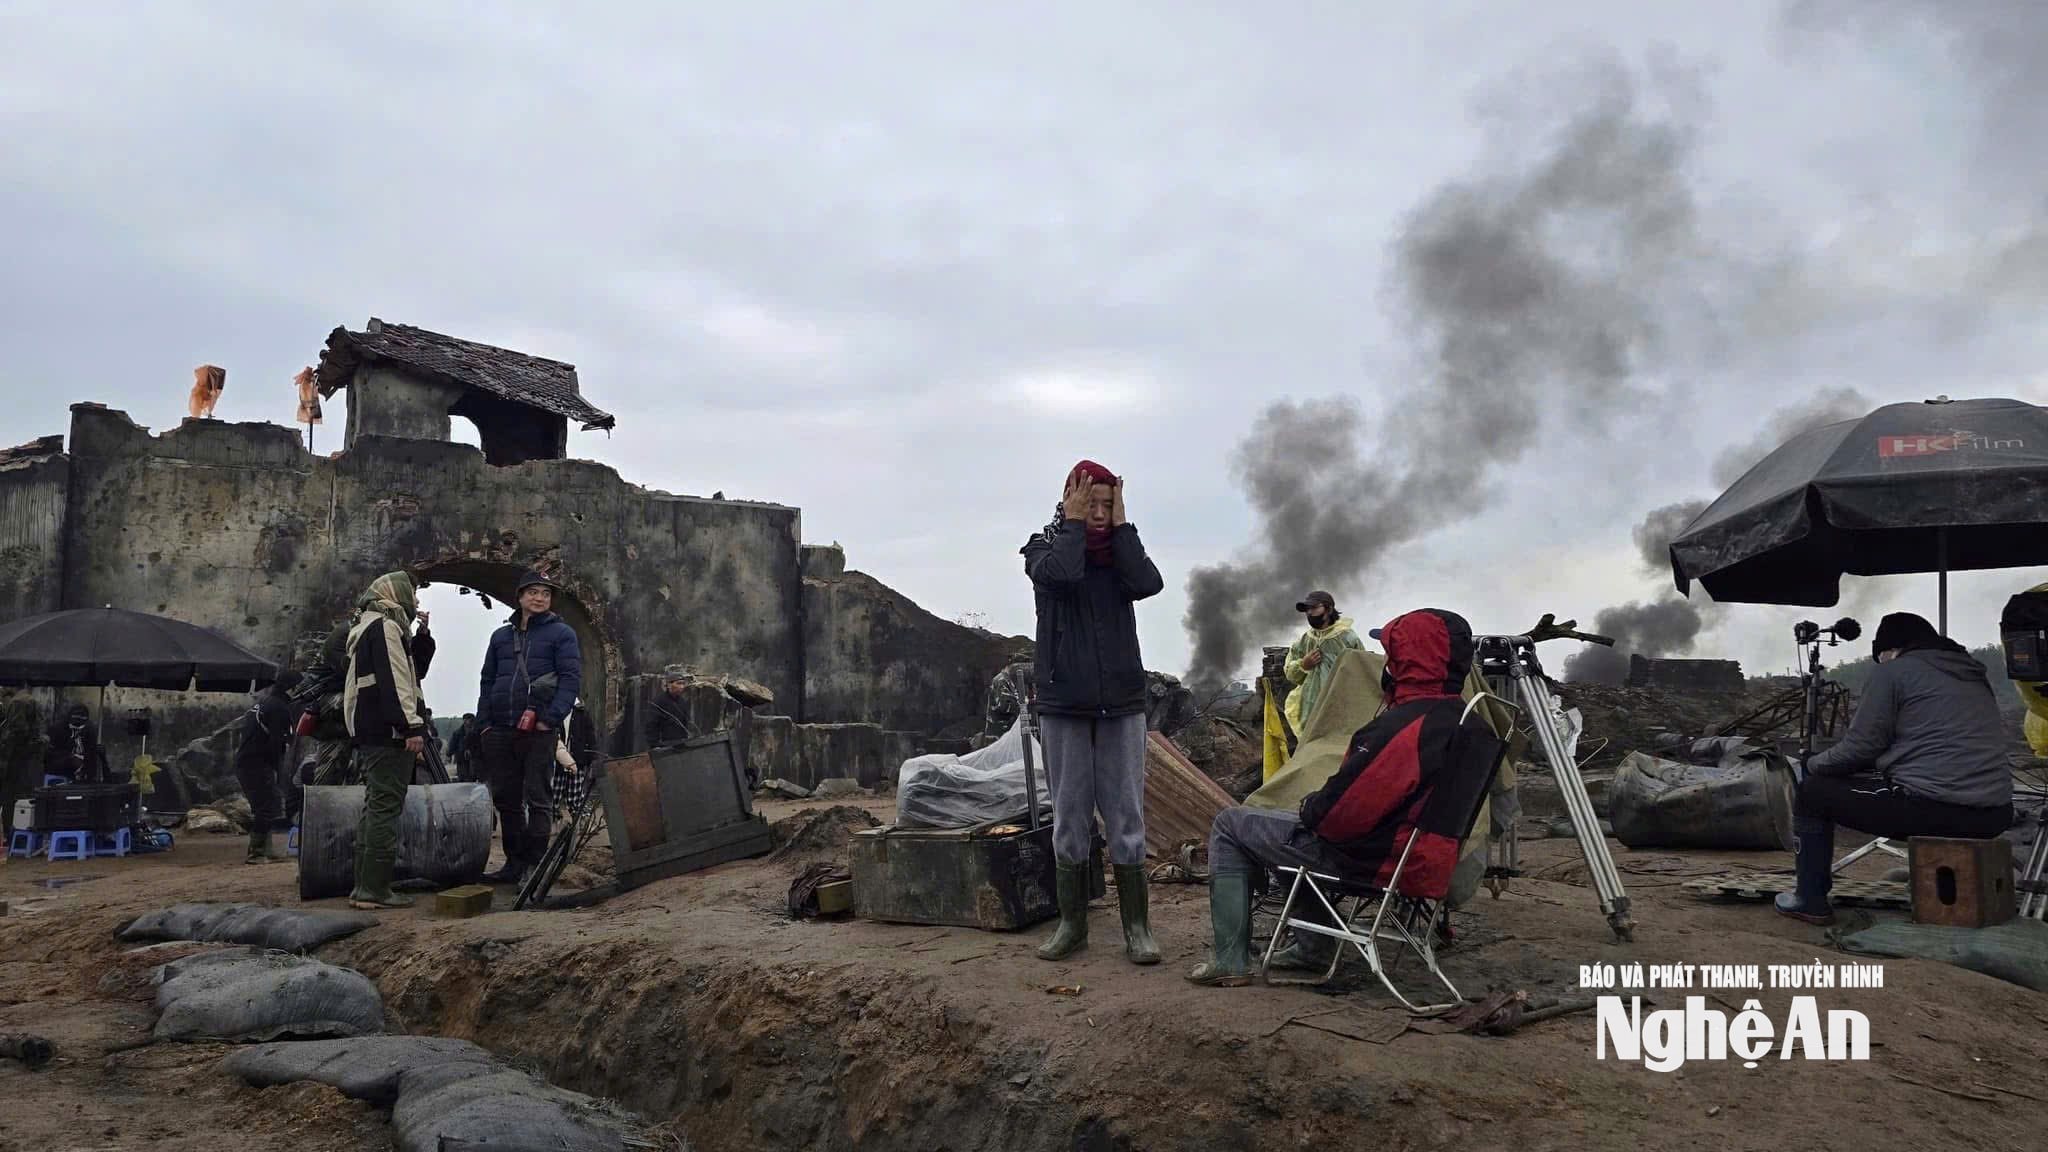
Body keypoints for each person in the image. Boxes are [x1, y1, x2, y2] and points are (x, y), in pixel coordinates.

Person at [1188, 608, 1503, 985]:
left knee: (1231, 825)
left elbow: (1339, 819)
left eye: (1391, 654)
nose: (1387, 662)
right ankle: (1311, 948)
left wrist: (1312, 807)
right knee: (1291, 830)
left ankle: (1231, 959)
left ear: (1408, 660)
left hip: (1370, 863)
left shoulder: (1406, 726)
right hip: (1419, 861)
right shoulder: (1468, 723)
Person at [1776, 611, 2014, 925]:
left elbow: (1861, 748)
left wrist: (1813, 763)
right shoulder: (1972, 673)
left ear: (1890, 649)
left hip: (1935, 809)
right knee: (1895, 784)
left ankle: (1809, 899)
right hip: (1995, 813)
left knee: (1813, 793)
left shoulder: (1894, 672)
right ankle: (1946, 889)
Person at [1022, 460, 1165, 965]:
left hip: (1122, 703)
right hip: (1064, 703)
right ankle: (1071, 925)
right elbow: (1063, 573)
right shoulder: (1042, 549)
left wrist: (1124, 527)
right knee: (1070, 818)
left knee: (1126, 815)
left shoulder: (1121, 561)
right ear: (1069, 497)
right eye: (1092, 502)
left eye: (1108, 504)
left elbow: (1150, 582)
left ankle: (1137, 929)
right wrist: (1073, 522)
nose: (1101, 513)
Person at [477, 570, 582, 885]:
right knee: (507, 799)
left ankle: (535, 865)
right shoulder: (500, 637)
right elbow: (487, 680)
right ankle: (513, 863)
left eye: (545, 593)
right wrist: (483, 723)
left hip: (538, 729)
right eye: (533, 592)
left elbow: (570, 679)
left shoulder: (562, 634)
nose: (539, 598)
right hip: (500, 728)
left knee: (538, 797)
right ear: (520, 596)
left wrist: (551, 718)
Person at [341, 572, 433, 910]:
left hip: (373, 730)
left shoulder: (372, 626)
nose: (417, 601)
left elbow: (412, 670)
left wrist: (423, 636)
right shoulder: (384, 627)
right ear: (395, 595)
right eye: (412, 594)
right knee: (385, 807)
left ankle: (364, 886)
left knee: (375, 805)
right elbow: (395, 679)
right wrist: (410, 726)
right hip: (387, 732)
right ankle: (374, 890)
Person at [234, 671, 302, 863]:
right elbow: (276, 743)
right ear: (292, 688)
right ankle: (256, 853)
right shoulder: (278, 708)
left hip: (250, 762)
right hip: (256, 763)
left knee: (266, 805)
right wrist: (279, 771)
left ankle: (266, 849)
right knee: (267, 806)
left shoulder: (267, 702)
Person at [1282, 591, 1366, 738]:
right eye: (1307, 609)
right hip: (1310, 707)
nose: (1309, 613)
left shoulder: (1347, 637)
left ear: (1328, 609)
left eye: (1314, 608)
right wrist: (1303, 665)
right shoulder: (1305, 640)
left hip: (1341, 706)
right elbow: (1291, 674)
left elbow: (1361, 669)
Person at [1, 688, 45, 838]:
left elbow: (17, 732)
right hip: (27, 761)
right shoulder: (28, 700)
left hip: (17, 761)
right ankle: (16, 835)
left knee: (12, 798)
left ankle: (11, 834)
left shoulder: (18, 702)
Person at [44, 703, 110, 784]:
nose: (78, 727)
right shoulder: (57, 730)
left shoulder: (90, 731)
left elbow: (91, 757)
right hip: (60, 774)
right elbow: (50, 756)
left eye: (81, 724)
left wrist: (100, 754)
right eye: (75, 724)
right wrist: (69, 758)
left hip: (84, 778)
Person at [644, 667, 695, 749]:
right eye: (678, 683)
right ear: (669, 685)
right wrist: (654, 745)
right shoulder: (658, 702)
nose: (681, 687)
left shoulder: (682, 702)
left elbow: (685, 722)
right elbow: (651, 725)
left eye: (683, 684)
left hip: (680, 743)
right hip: (664, 745)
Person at [445, 713, 477, 782]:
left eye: (469, 720)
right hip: (461, 759)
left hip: (474, 759)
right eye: (466, 720)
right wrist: (449, 754)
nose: (467, 722)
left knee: (473, 777)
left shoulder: (476, 732)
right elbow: (452, 745)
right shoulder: (458, 733)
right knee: (463, 778)